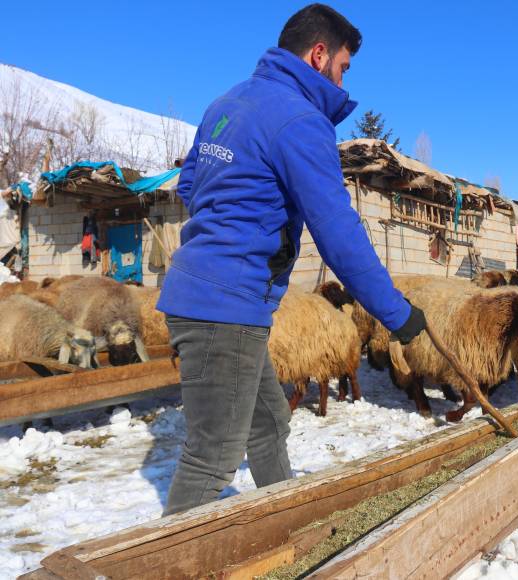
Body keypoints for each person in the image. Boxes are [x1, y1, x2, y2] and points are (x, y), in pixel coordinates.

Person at [156, 3, 426, 516]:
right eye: (344, 67)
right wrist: (395, 313)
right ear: (319, 54)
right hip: (225, 304)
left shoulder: (226, 104)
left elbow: (190, 185)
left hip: (214, 294)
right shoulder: (301, 120)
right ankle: (163, 565)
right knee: (212, 455)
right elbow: (338, 231)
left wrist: (235, 223)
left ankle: (283, 521)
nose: (344, 79)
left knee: (268, 422)